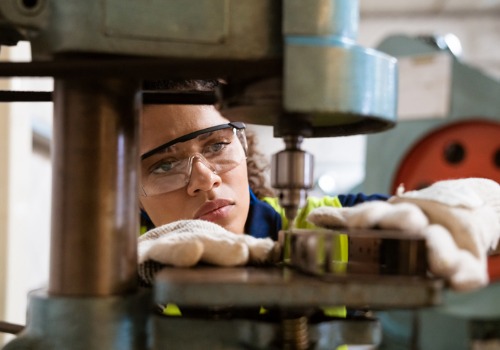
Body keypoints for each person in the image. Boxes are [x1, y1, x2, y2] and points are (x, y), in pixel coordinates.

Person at [138, 79, 500, 292]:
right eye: (164, 165)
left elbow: (430, 215)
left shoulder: (329, 228)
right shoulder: (110, 269)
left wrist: (469, 205)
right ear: (126, 191)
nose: (205, 179)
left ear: (244, 144)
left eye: (216, 145)